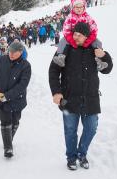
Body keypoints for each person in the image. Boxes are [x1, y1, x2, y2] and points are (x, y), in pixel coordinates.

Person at [48, 22, 113, 170]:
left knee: (91, 128)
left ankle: (82, 153)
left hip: (90, 98)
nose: (75, 37)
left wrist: (104, 56)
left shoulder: (94, 49)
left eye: (79, 35)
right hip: (69, 98)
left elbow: (107, 69)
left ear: (87, 36)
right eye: (74, 34)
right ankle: (71, 157)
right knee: (70, 130)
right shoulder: (66, 48)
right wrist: (56, 92)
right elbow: (53, 71)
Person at [0, 41, 32, 158]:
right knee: (5, 122)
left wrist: (7, 96)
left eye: (14, 52)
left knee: (15, 122)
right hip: (2, 98)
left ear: (21, 52)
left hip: (17, 99)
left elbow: (22, 85)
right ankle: (8, 147)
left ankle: (8, 138)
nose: (11, 54)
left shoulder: (26, 66)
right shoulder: (3, 60)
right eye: (10, 51)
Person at [53, 0, 107, 71]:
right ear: (72, 7)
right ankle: (61, 57)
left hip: (86, 38)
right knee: (62, 41)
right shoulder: (70, 17)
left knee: (97, 42)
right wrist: (72, 41)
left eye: (81, 7)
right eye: (76, 7)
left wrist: (89, 40)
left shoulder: (87, 17)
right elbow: (66, 30)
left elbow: (94, 29)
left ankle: (99, 60)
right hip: (73, 38)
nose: (79, 9)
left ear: (84, 7)